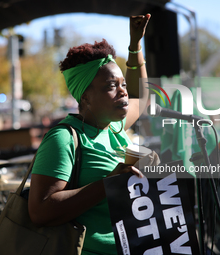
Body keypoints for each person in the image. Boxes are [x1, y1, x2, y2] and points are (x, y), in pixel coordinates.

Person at [28, 14, 151, 255]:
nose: (123, 92)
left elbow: (141, 97)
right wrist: (108, 185)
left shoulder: (113, 127)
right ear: (85, 96)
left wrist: (135, 46)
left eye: (123, 84)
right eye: (110, 86)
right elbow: (40, 212)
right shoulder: (63, 138)